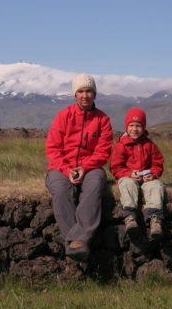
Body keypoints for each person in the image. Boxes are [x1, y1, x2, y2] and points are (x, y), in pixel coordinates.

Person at [45, 73, 113, 261]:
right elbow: (53, 149)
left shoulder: (103, 120)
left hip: (91, 167)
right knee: (60, 189)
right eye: (81, 91)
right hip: (61, 167)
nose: (85, 95)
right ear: (75, 95)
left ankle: (77, 240)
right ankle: (77, 241)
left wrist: (85, 167)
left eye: (89, 91)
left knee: (96, 183)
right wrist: (67, 170)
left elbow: (103, 151)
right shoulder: (63, 117)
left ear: (95, 94)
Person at [110, 107, 165, 239]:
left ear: (143, 127)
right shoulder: (121, 145)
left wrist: (153, 174)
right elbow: (115, 167)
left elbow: (158, 163)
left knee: (156, 186)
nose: (134, 129)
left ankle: (155, 220)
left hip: (146, 179)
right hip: (129, 177)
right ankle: (130, 217)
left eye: (138, 126)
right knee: (127, 184)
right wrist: (128, 173)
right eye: (131, 125)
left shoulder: (149, 145)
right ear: (126, 127)